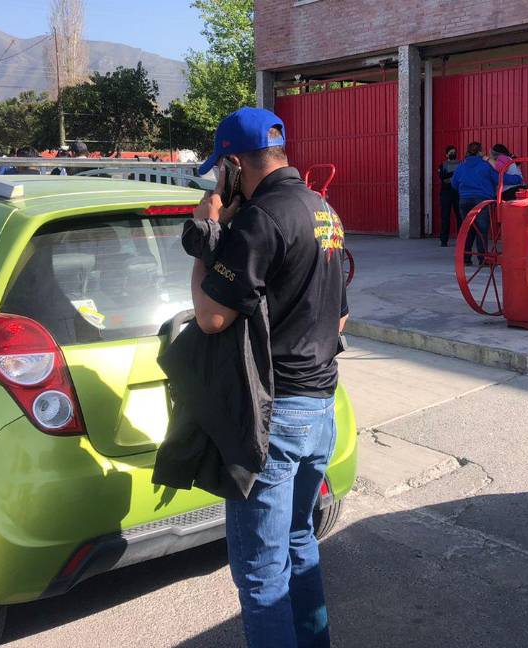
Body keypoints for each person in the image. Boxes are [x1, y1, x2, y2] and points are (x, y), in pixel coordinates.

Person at [189, 107, 348, 648]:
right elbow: (341, 314)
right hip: (319, 408)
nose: (219, 180)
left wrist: (208, 232)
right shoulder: (322, 210)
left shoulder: (262, 218)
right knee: (300, 541)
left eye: (220, 170)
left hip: (273, 417)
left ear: (234, 165)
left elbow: (211, 316)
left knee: (260, 576)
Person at [450, 142, 499, 265]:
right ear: (480, 152)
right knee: (482, 230)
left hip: (464, 200)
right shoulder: (485, 166)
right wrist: (517, 178)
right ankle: (483, 259)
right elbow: (498, 178)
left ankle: (466, 258)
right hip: (481, 200)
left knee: (468, 228)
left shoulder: (461, 166)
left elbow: (454, 184)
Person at [436, 145, 461, 247]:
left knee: (460, 216)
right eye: (451, 152)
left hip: (458, 192)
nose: (453, 154)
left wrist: (450, 177)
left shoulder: (460, 164)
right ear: (446, 155)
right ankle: (444, 240)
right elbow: (443, 178)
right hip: (446, 193)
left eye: (454, 152)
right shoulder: (443, 165)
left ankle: (461, 239)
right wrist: (453, 175)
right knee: (445, 217)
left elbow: (459, 177)